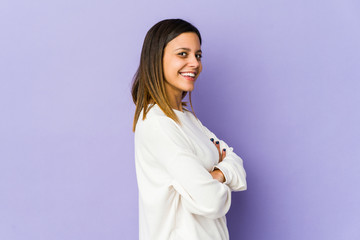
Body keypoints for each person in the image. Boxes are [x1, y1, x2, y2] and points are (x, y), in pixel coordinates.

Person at [131, 18, 247, 240]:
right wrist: (219, 173)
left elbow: (236, 162)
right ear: (156, 58)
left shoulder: (189, 120)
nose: (194, 63)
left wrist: (218, 173)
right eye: (183, 54)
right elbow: (211, 200)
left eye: (198, 55)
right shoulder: (157, 123)